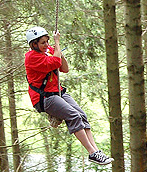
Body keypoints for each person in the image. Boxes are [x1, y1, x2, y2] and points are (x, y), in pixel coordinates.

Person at [25, 26, 114, 165]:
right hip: (44, 98)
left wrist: (58, 52)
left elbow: (64, 68)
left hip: (57, 92)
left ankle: (96, 151)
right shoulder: (31, 57)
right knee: (73, 116)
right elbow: (55, 62)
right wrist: (57, 43)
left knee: (82, 115)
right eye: (43, 43)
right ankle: (92, 153)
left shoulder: (48, 52)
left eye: (47, 42)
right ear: (34, 44)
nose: (47, 45)